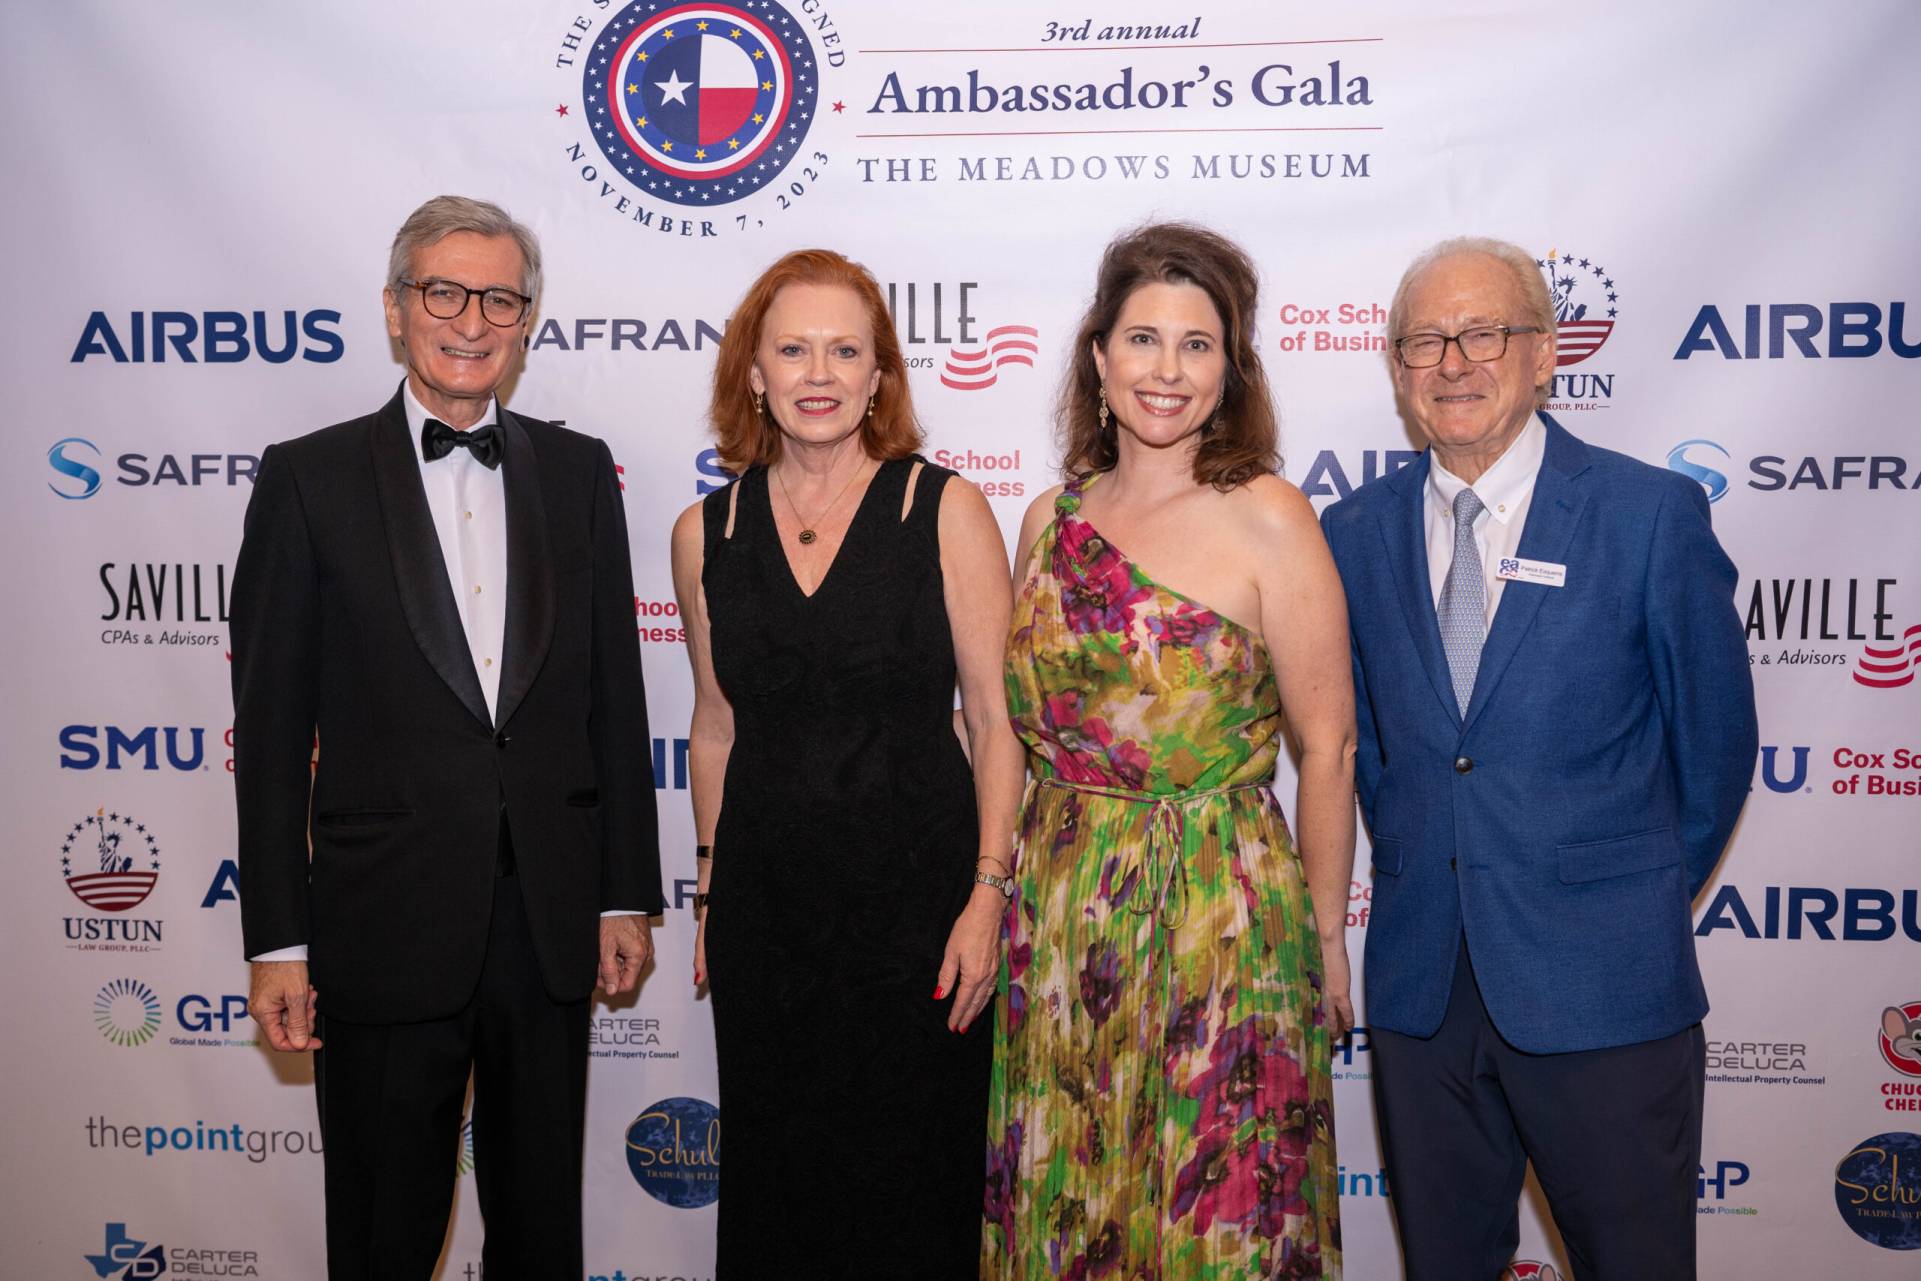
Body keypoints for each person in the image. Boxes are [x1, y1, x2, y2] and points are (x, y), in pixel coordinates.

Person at [230, 195, 662, 1278]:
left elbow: (614, 699)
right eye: (444, 293)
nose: (471, 321)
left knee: (540, 1233)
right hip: (381, 921)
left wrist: (622, 891)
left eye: (499, 299)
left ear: (526, 319)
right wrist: (278, 942)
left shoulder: (579, 473)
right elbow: (270, 737)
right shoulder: (308, 478)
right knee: (383, 1234)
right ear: (395, 308)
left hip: (546, 920)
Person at [1320, 236, 1758, 1281]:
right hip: (1424, 991)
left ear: (1544, 352)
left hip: (1605, 985)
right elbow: (1370, 751)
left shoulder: (1647, 515)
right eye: (1424, 341)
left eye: (1483, 333)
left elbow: (1715, 745)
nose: (1452, 363)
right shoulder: (1350, 533)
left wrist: (1620, 892)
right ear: (1396, 366)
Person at [984, 222, 1354, 1280]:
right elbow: (1011, 726)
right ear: (1098, 356)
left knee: (1221, 1213)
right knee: (1071, 1201)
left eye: (1198, 345)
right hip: (1063, 918)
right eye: (1143, 339)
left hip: (1219, 916)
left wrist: (1325, 937)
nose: (1167, 370)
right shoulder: (1046, 521)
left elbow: (1328, 745)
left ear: (1230, 370)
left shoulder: (1269, 516)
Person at [668, 248, 1024, 1278]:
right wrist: (709, 891)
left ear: (879, 377)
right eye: (792, 350)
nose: (817, 373)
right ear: (753, 373)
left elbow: (995, 721)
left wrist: (987, 894)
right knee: (780, 1196)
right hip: (767, 919)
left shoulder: (941, 509)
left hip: (920, 917)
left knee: (914, 1194)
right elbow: (715, 725)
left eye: (843, 351)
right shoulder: (705, 532)